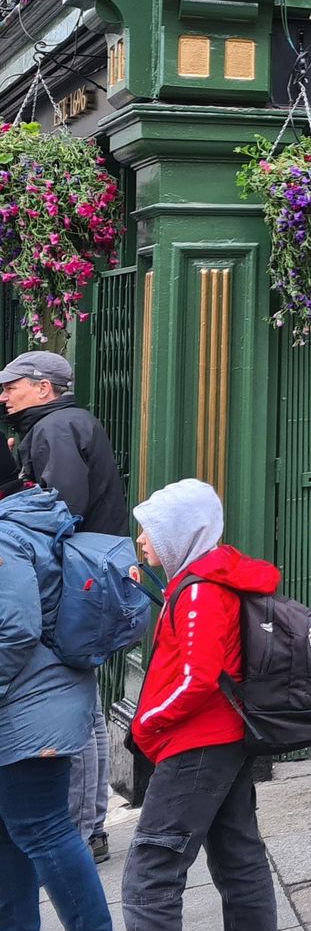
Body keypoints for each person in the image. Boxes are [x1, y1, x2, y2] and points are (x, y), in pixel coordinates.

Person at [124, 479, 282, 931]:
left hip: (195, 746)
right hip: (224, 739)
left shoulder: (199, 591)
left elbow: (198, 678)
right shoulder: (210, 580)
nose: (141, 539)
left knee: (150, 875)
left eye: (151, 529)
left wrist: (146, 722)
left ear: (179, 533)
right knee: (239, 858)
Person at [0, 351, 124, 866]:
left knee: (72, 712)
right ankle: (88, 827)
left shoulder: (55, 428)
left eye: (11, 386)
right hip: (89, 579)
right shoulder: (67, 423)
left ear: (44, 387)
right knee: (88, 708)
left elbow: (59, 510)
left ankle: (76, 830)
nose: (4, 396)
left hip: (72, 584)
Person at [0, 479, 118, 931]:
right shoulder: (26, 524)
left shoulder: (6, 535)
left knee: (43, 826)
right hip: (39, 698)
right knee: (14, 827)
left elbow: (14, 627)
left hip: (31, 706)